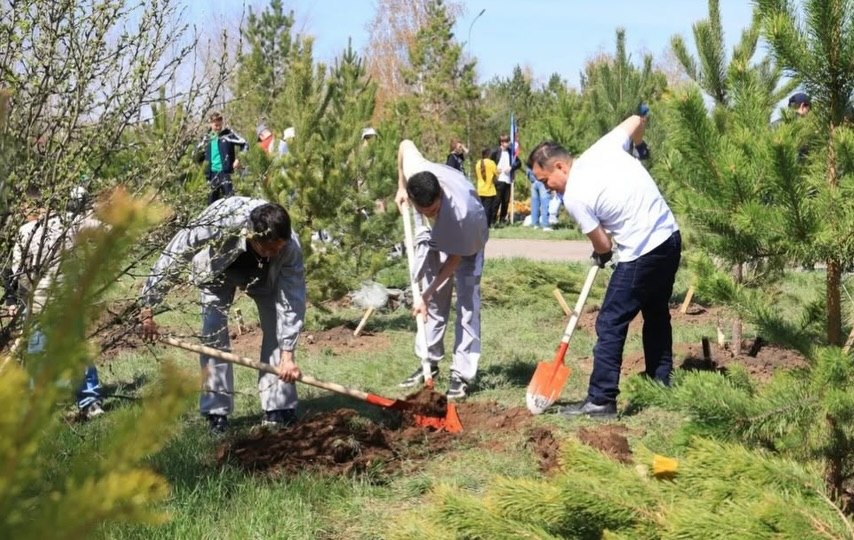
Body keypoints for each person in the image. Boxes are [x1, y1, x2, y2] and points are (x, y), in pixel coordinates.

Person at [527, 113, 681, 418]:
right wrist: (639, 148)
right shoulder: (604, 146)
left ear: (559, 166)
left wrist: (600, 253)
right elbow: (638, 119)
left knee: (610, 322)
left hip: (643, 250)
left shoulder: (574, 197)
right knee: (656, 313)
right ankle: (661, 383)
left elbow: (603, 245)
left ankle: (601, 399)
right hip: (670, 238)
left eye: (546, 182)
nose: (548, 189)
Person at [139, 197, 306, 434]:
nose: (272, 253)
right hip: (217, 271)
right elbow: (176, 253)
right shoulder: (221, 219)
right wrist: (148, 306)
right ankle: (216, 413)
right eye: (268, 249)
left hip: (264, 278)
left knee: (277, 330)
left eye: (277, 249)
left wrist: (287, 354)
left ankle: (278, 408)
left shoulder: (289, 246)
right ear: (252, 234)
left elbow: (292, 298)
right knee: (213, 333)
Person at [395, 140, 488, 399]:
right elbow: (405, 146)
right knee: (434, 302)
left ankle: (461, 374)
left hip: (469, 242)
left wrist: (425, 293)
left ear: (441, 196)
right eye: (424, 210)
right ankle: (429, 361)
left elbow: (454, 261)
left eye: (434, 209)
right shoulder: (418, 172)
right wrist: (401, 187)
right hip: (437, 235)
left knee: (468, 306)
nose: (430, 212)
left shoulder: (463, 216)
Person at [9, 187, 105, 418]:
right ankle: (90, 400)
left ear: (28, 207)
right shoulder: (70, 222)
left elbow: (17, 272)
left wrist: (25, 300)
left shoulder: (25, 231)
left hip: (40, 302)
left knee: (38, 352)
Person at [195, 111, 247, 204]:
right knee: (211, 203)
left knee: (230, 202)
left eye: (219, 120)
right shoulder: (206, 138)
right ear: (210, 123)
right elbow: (196, 155)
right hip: (211, 175)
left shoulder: (228, 134)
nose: (217, 123)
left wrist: (238, 159)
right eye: (215, 121)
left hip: (226, 173)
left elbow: (245, 144)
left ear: (222, 122)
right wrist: (202, 168)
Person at [490, 134, 521, 226]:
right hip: (498, 179)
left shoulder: (511, 152)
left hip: (508, 180)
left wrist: (512, 167)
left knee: (506, 201)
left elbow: (519, 163)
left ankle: (502, 220)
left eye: (508, 141)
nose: (508, 143)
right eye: (506, 142)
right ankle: (492, 220)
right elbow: (488, 163)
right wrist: (494, 169)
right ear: (501, 142)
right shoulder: (495, 152)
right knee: (496, 201)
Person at [475, 148, 498, 228]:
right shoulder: (491, 163)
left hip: (480, 189)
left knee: (481, 209)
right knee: (488, 209)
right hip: (489, 190)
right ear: (489, 155)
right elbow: (497, 173)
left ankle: (479, 224)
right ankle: (487, 225)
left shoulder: (478, 163)